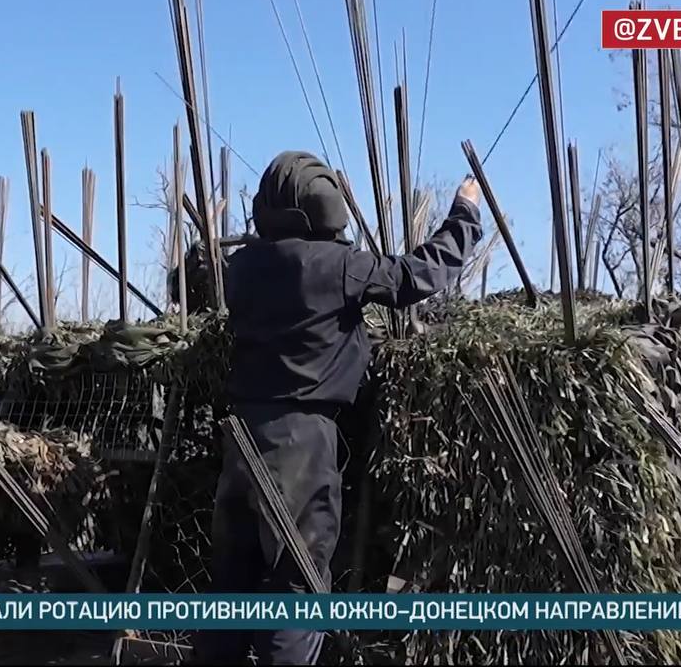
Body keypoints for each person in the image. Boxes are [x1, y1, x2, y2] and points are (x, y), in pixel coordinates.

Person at [194, 151, 482, 665]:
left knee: (232, 584)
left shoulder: (242, 267)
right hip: (301, 442)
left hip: (242, 436)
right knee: (297, 586)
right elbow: (417, 275)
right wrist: (464, 213)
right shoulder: (338, 266)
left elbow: (197, 278)